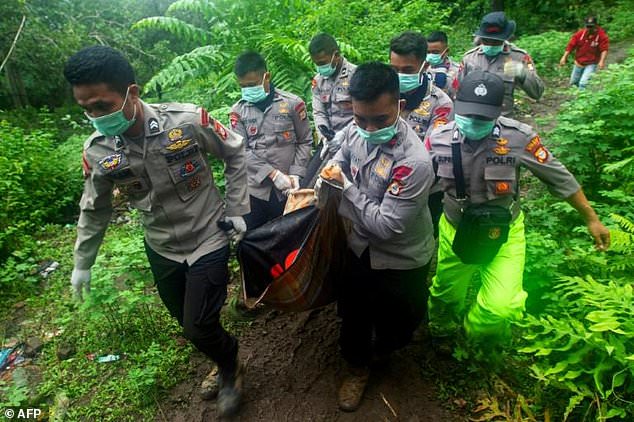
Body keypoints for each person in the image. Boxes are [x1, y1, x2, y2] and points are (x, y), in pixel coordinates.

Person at [64, 45, 249, 417]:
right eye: (86, 109)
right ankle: (219, 356)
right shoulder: (99, 150)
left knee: (198, 327)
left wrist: (238, 209)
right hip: (161, 245)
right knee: (186, 322)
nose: (95, 116)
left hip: (207, 236)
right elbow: (94, 208)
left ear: (132, 92)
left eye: (102, 105)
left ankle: (230, 366)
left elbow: (235, 152)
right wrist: (82, 262)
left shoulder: (186, 120)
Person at [426, 70, 610, 354]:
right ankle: (442, 331)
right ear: (457, 106)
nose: (475, 122)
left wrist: (591, 218)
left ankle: (479, 331)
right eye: (469, 115)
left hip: (504, 232)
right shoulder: (437, 138)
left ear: (498, 112)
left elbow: (559, 177)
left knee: (502, 304)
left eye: (483, 117)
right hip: (456, 227)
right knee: (446, 294)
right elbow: (419, 181)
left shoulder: (518, 138)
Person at [317, 62, 435, 412]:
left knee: (402, 321)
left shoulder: (414, 163)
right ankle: (357, 367)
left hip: (402, 256)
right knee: (354, 313)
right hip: (360, 247)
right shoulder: (356, 130)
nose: (369, 128)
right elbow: (342, 153)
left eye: (379, 121)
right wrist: (332, 169)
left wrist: (346, 187)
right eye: (360, 118)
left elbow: (386, 227)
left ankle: (387, 347)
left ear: (399, 107)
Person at [229, 51, 312, 230]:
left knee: (290, 239)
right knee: (254, 239)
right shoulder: (238, 112)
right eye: (243, 86)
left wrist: (297, 173)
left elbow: (305, 141)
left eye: (252, 84)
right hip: (255, 191)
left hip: (289, 190)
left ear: (267, 76)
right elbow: (240, 150)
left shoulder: (292, 104)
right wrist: (272, 174)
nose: (248, 90)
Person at [389, 30, 453, 236]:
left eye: (407, 70)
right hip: (383, 180)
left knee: (420, 239)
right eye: (394, 69)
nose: (400, 76)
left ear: (425, 66)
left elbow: (431, 152)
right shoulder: (384, 93)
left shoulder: (440, 104)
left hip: (425, 187)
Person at [458, 11, 544, 117]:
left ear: (505, 38)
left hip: (503, 122)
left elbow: (537, 93)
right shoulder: (470, 58)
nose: (491, 45)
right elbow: (457, 91)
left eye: (495, 42)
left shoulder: (519, 57)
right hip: (473, 119)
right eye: (486, 41)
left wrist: (522, 73)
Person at [309, 33, 357, 156]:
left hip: (354, 137)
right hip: (329, 142)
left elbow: (365, 113)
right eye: (317, 64)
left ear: (336, 55)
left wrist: (343, 135)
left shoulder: (356, 75)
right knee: (311, 174)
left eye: (322, 63)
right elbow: (319, 112)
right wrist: (324, 138)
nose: (320, 67)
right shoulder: (318, 81)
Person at [559, 16, 609, 90]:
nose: (589, 28)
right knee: (573, 82)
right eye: (587, 26)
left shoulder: (601, 35)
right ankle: (578, 97)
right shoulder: (580, 34)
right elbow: (571, 45)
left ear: (595, 25)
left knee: (583, 83)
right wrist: (564, 57)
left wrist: (601, 61)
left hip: (591, 63)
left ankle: (582, 98)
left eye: (591, 26)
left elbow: (604, 49)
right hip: (579, 62)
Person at [426, 31, 460, 99]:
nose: (431, 55)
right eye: (428, 52)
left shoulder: (458, 71)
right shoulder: (421, 68)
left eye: (435, 52)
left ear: (446, 51)